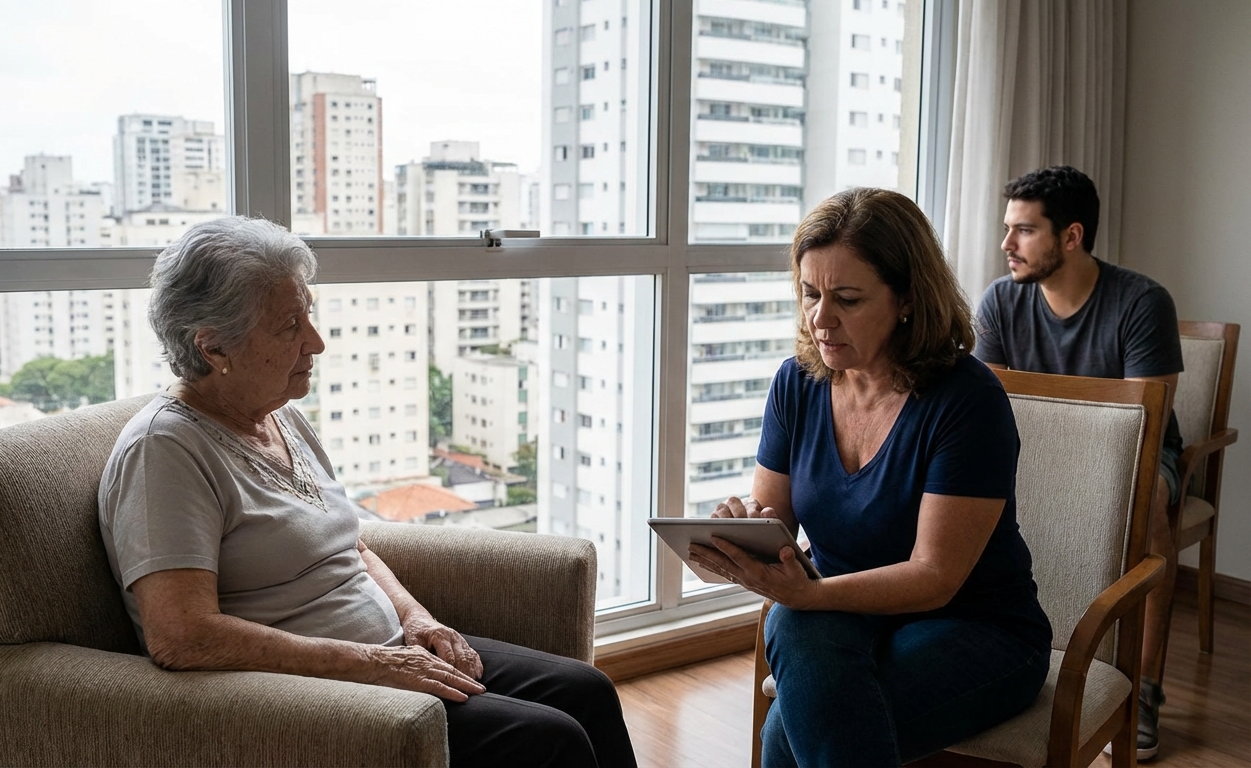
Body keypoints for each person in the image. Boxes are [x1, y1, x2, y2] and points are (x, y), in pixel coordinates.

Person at [97, 216, 636, 768]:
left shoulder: (279, 417)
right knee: (550, 740)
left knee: (586, 691)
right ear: (213, 347)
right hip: (312, 694)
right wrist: (371, 665)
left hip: (388, 654)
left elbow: (349, 545)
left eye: (308, 315)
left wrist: (418, 620)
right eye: (289, 326)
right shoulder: (164, 451)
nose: (316, 342)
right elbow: (182, 636)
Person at [689, 188, 1052, 768]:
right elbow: (774, 521)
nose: (820, 318)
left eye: (847, 299)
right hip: (840, 611)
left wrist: (811, 594)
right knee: (795, 625)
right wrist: (744, 532)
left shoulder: (967, 400)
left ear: (907, 298)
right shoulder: (796, 383)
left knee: (787, 732)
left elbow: (935, 577)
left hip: (975, 626)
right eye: (810, 293)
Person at [974, 165, 1183, 761]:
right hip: (1033, 451)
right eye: (1008, 228)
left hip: (1140, 455)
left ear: (1071, 236)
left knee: (1148, 509)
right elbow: (989, 406)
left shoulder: (1141, 301)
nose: (1007, 243)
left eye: (1024, 230)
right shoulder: (1000, 300)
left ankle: (1143, 687)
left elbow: (1145, 421)